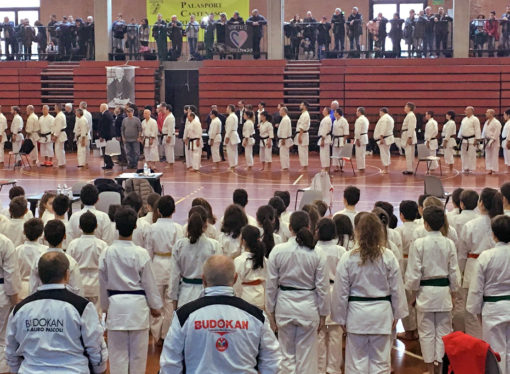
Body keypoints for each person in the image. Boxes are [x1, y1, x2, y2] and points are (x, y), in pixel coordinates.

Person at [160, 254, 281, 373]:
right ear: (235, 279)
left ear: (203, 280)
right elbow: (273, 364)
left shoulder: (183, 316)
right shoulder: (256, 316)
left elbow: (169, 366)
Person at [331, 213, 408, 373]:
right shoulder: (388, 256)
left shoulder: (348, 258)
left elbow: (341, 293)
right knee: (380, 363)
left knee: (356, 364)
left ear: (358, 232)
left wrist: (340, 317)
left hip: (356, 315)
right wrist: (397, 314)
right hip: (381, 315)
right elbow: (397, 288)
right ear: (379, 232)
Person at [6, 251, 106, 373]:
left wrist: (17, 370)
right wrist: (100, 369)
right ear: (67, 275)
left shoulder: (20, 309)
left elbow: (11, 350)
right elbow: (95, 346)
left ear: (38, 275)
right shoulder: (82, 307)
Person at [98, 207, 162, 373]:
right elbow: (149, 283)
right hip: (137, 309)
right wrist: (155, 306)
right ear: (135, 227)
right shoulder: (141, 253)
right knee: (138, 358)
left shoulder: (107, 252)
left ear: (116, 227)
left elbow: (103, 283)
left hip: (116, 307)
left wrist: (104, 307)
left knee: (117, 356)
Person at [266, 211, 329, 373]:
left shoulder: (278, 251)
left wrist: (270, 311)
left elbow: (271, 285)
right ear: (309, 227)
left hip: (284, 306)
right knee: (307, 356)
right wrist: (323, 313)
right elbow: (322, 287)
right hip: (308, 307)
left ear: (290, 228)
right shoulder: (317, 252)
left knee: (286, 355)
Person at [405, 206, 460, 373]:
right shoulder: (449, 243)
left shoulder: (419, 244)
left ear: (426, 224)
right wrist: (454, 292)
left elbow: (414, 273)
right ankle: (440, 368)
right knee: (444, 332)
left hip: (425, 293)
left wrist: (413, 293)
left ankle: (429, 369)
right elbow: (454, 272)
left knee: (426, 333)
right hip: (443, 293)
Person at [467, 215, 510, 374]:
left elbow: (477, 288)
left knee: (496, 353)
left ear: (493, 234)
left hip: (493, 309)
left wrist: (476, 311)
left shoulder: (486, 256)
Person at [459, 188, 503, 339]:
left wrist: (460, 271)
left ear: (482, 203)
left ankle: (477, 347)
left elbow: (462, 253)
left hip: (473, 265)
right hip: (497, 268)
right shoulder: (500, 222)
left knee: (472, 314)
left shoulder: (471, 225)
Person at [144, 195, 183, 346]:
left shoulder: (152, 228)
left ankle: (156, 334)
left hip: (156, 265)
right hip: (172, 266)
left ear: (158, 211)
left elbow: (148, 251)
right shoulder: (177, 228)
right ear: (173, 210)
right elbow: (179, 250)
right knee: (170, 303)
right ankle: (165, 334)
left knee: (155, 301)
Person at [169, 210, 220, 309]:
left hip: (185, 296)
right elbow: (217, 274)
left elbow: (174, 275)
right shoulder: (213, 245)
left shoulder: (180, 245)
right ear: (205, 225)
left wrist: (173, 298)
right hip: (207, 295)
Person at [315, 218, 346, 374]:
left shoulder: (313, 249)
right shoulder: (340, 250)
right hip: (336, 291)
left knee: (319, 333)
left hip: (318, 291)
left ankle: (320, 369)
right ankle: (333, 368)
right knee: (335, 334)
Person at [233, 225, 267, 309]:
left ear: (243, 241)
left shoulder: (240, 260)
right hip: (260, 296)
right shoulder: (264, 259)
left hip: (245, 297)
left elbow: (236, 283)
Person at [0, 228, 20, 373]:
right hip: (2, 293)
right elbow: (10, 274)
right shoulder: (4, 242)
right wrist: (15, 299)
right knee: (2, 338)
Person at [16, 218, 46, 299]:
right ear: (41, 233)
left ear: (24, 232)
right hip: (39, 288)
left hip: (21, 289)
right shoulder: (45, 251)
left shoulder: (17, 250)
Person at [458, 106, 481, 173]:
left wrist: (477, 139)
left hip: (471, 139)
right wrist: (459, 137)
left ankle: (471, 168)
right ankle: (465, 168)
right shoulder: (464, 119)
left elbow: (477, 129)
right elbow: (461, 129)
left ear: (471, 111)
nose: (465, 111)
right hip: (464, 139)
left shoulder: (475, 119)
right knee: (463, 154)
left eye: (466, 110)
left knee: (471, 155)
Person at [374, 107, 395, 174]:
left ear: (382, 112)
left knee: (384, 154)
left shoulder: (384, 118)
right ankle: (386, 168)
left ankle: (386, 169)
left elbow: (383, 128)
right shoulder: (389, 118)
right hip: (387, 138)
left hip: (384, 138)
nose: (379, 113)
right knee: (386, 153)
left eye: (380, 112)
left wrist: (381, 138)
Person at [482, 108, 502, 174]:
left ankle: (494, 169)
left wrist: (492, 140)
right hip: (487, 140)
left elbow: (497, 132)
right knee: (488, 155)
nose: (486, 113)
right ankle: (489, 168)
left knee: (494, 155)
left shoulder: (496, 122)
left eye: (487, 112)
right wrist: (482, 138)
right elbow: (484, 131)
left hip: (494, 141)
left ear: (492, 114)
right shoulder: (486, 122)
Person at [331, 108, 349, 172]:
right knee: (335, 153)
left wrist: (344, 139)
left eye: (335, 112)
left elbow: (346, 131)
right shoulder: (335, 121)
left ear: (338, 113)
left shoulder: (344, 121)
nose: (334, 113)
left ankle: (341, 167)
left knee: (341, 153)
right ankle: (336, 166)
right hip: (335, 138)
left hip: (341, 139)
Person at [402, 102, 417, 175]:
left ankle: (410, 169)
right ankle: (410, 168)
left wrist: (410, 137)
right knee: (409, 153)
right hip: (407, 134)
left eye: (406, 106)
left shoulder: (411, 115)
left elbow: (411, 127)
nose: (404, 108)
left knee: (409, 153)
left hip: (408, 134)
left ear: (409, 108)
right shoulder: (409, 115)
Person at [351, 106, 369, 172]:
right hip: (364, 137)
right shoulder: (365, 119)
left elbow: (357, 131)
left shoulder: (359, 120)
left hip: (360, 138)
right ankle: (362, 167)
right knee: (362, 154)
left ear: (360, 112)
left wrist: (357, 139)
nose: (356, 112)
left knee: (359, 154)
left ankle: (361, 168)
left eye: (357, 111)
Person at [295, 101, 311, 171]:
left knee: (302, 151)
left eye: (301, 105)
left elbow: (303, 126)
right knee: (303, 151)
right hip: (302, 134)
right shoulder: (304, 114)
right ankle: (304, 166)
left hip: (303, 134)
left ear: (304, 106)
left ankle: (304, 167)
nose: (300, 106)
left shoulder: (305, 115)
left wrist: (300, 136)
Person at [225, 104, 240, 170]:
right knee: (234, 150)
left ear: (230, 109)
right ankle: (233, 164)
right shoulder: (234, 116)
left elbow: (229, 128)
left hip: (231, 134)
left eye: (227, 108)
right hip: (233, 133)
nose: (226, 109)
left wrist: (227, 137)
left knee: (230, 151)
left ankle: (232, 165)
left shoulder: (231, 117)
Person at [278, 106, 293, 171]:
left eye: (280, 110)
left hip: (285, 139)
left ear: (284, 111)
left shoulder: (285, 119)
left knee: (284, 154)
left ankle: (285, 167)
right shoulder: (285, 118)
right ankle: (285, 166)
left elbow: (285, 130)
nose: (279, 112)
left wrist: (283, 139)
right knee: (284, 153)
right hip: (284, 138)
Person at [318, 107, 332, 171]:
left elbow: (325, 130)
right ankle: (326, 167)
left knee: (325, 154)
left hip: (325, 138)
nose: (322, 111)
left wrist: (322, 140)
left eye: (324, 110)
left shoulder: (326, 119)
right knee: (324, 154)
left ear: (327, 111)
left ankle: (326, 168)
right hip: (325, 138)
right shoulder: (326, 119)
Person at [502, 109, 510, 173]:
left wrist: (508, 141)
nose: (503, 116)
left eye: (504, 115)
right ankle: (508, 169)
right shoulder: (507, 122)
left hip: (508, 140)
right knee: (507, 156)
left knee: (509, 155)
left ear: (508, 115)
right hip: (505, 140)